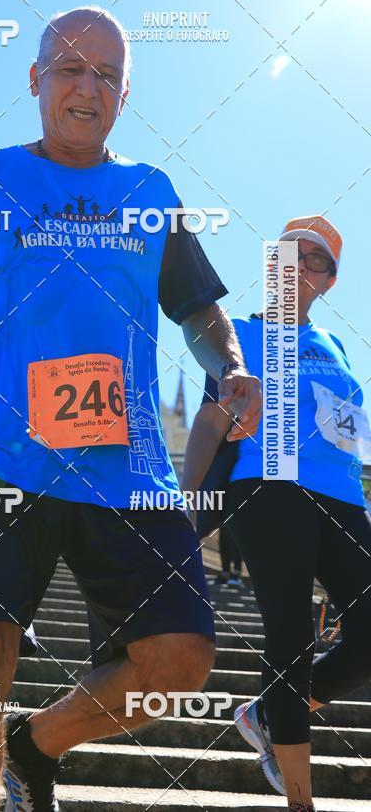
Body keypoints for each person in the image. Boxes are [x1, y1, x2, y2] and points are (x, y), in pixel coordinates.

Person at [0, 5, 262, 812]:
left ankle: (36, 742)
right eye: (71, 69)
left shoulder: (150, 192)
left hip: (127, 470)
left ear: (127, 92)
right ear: (35, 79)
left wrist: (230, 367)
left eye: (109, 76)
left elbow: (197, 310)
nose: (89, 88)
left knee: (183, 659)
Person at [182, 216, 371, 812]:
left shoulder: (334, 346)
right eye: (293, 254)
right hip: (268, 486)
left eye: (319, 261)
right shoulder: (236, 334)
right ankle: (300, 800)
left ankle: (266, 713)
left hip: (343, 495)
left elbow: (351, 433)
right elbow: (211, 423)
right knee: (289, 636)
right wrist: (187, 509)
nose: (303, 267)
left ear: (331, 281)